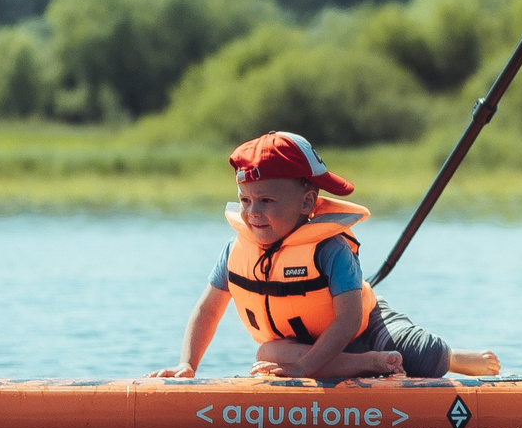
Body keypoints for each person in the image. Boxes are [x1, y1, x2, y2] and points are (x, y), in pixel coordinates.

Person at [164, 132, 501, 381]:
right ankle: (370, 363)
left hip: (365, 329)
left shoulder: (331, 249)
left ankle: (455, 358)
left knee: (425, 359)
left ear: (308, 203)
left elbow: (350, 319)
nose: (253, 212)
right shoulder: (235, 250)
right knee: (267, 353)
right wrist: (188, 364)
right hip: (311, 353)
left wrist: (302, 370)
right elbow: (208, 309)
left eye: (267, 201)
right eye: (246, 200)